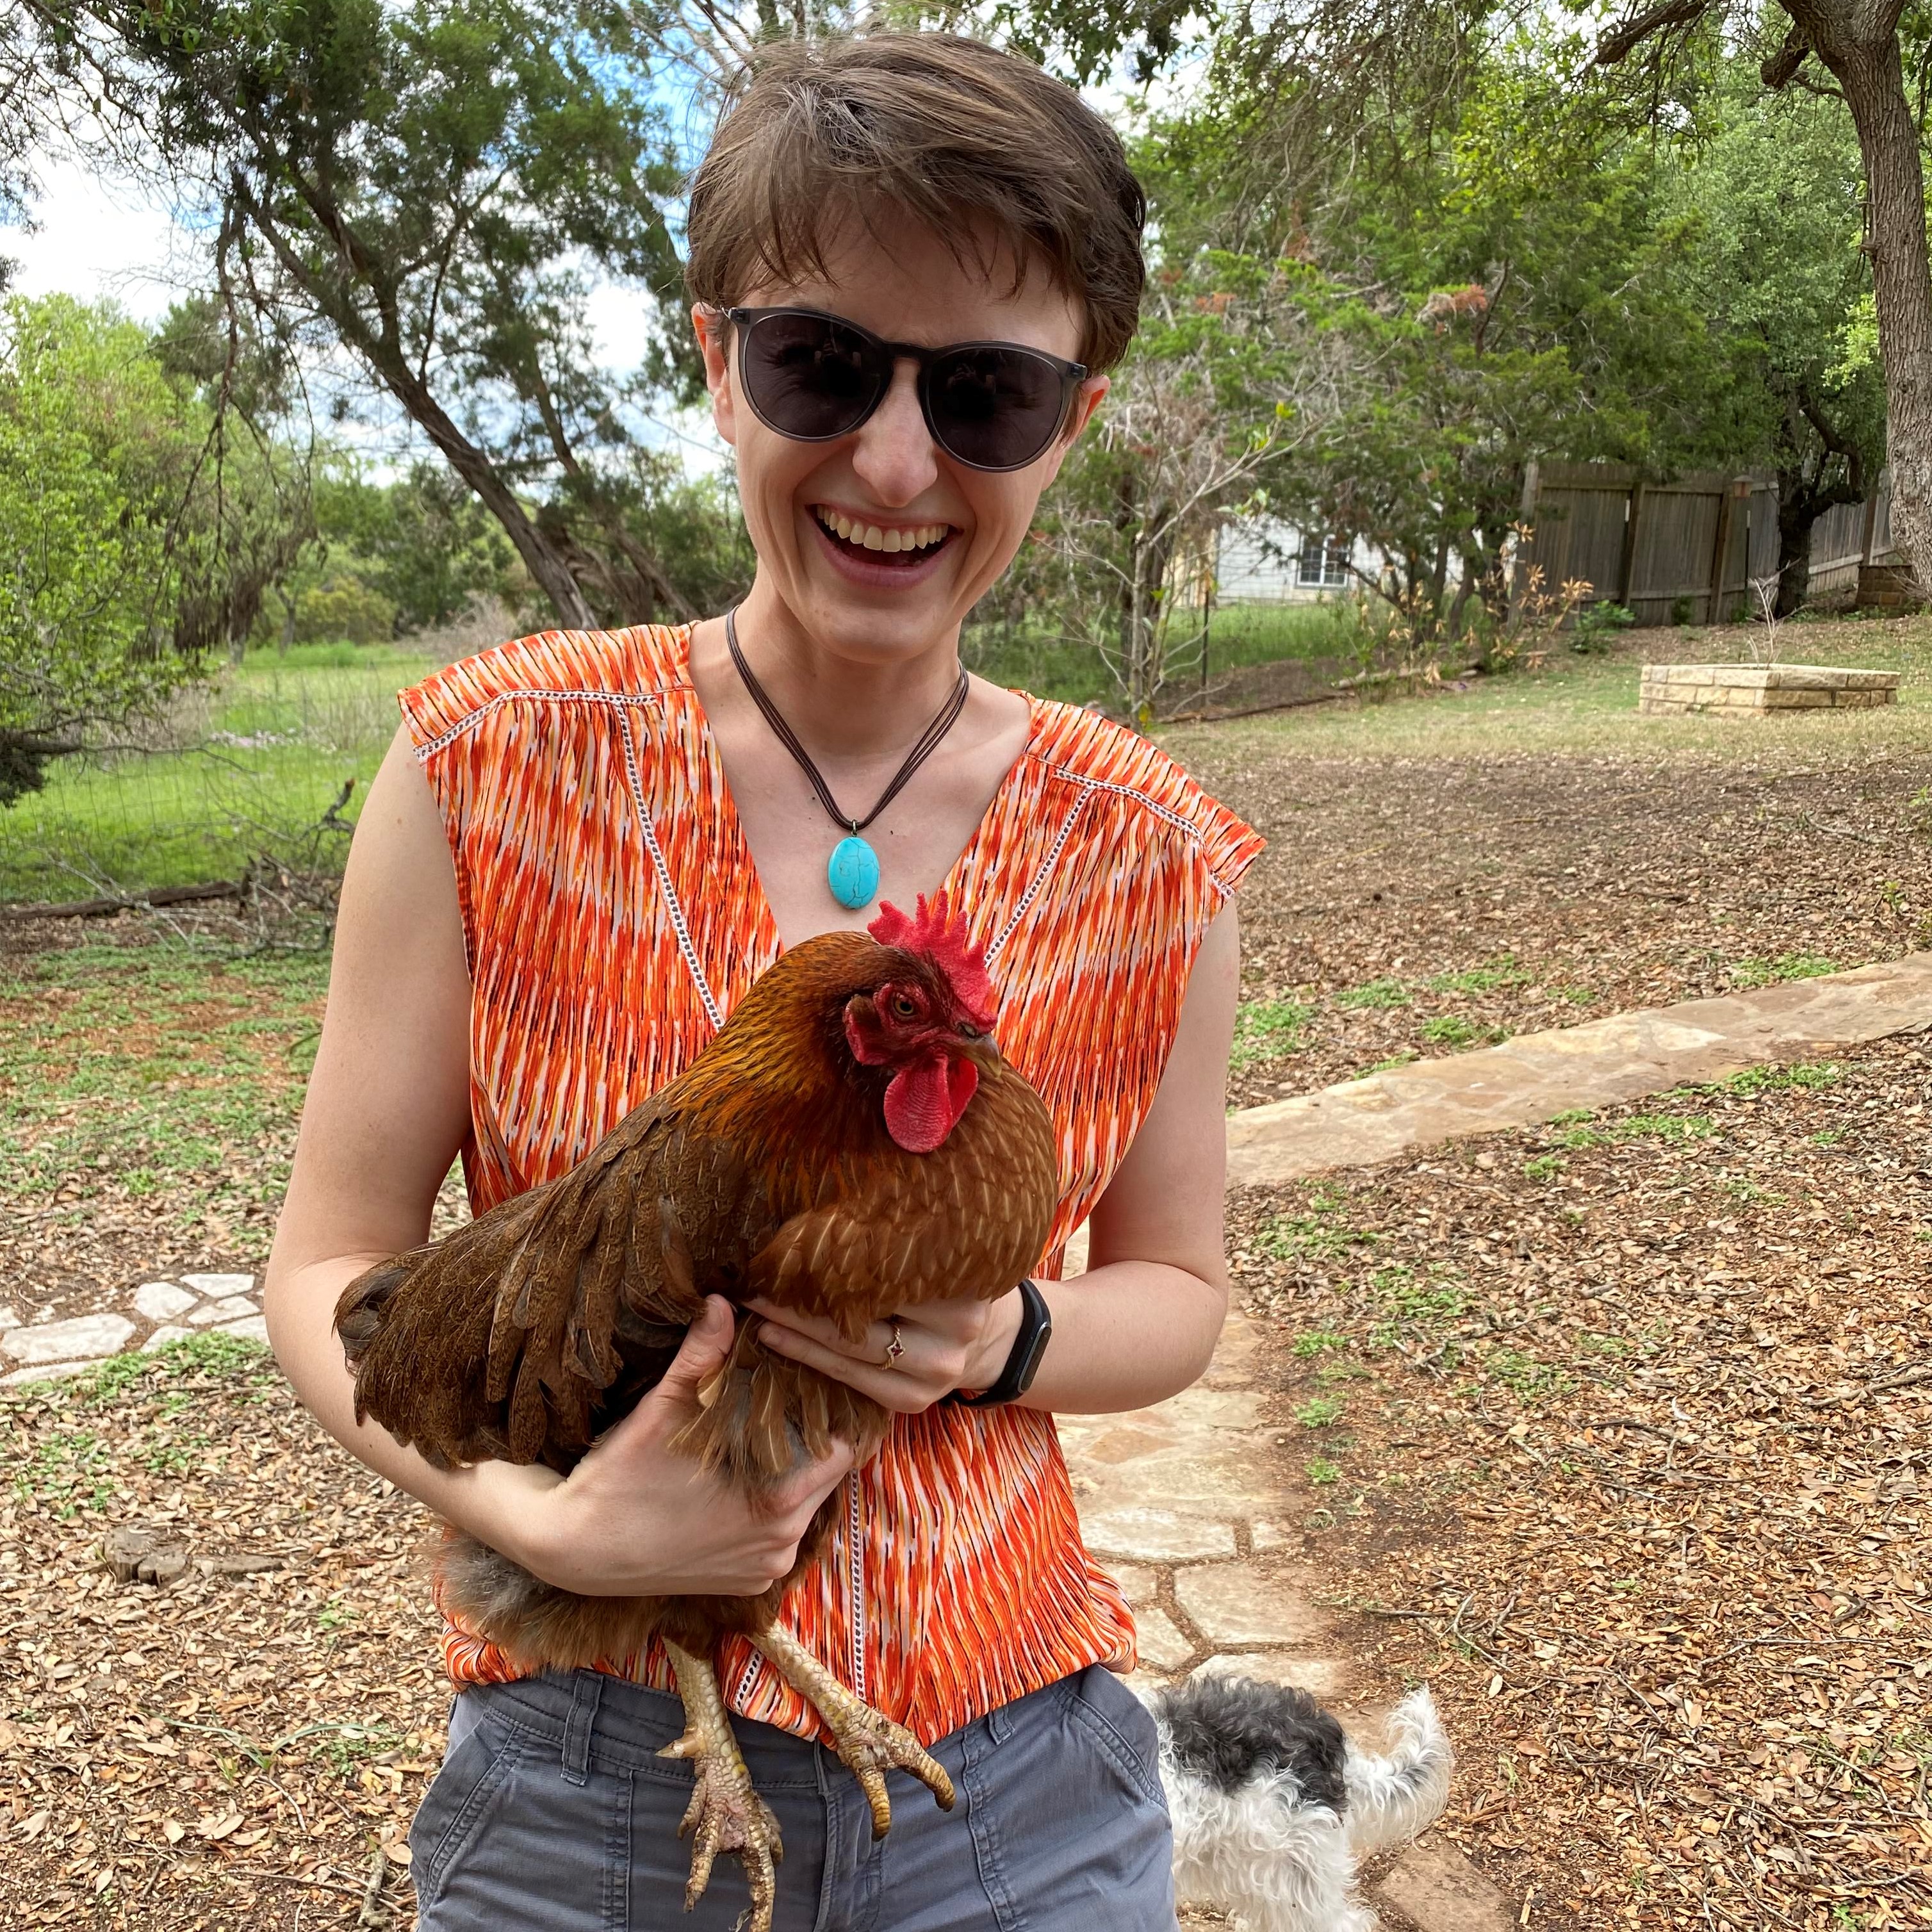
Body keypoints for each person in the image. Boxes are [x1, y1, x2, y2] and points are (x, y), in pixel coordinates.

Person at [264, 31, 1261, 1931]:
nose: (896, 463)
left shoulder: (1156, 856)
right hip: (592, 1787)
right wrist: (552, 1523)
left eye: (986, 394)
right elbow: (326, 1270)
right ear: (719, 357)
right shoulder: (493, 771)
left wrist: (1001, 1342)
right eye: (822, 363)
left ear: (1077, 416)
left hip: (1016, 1783)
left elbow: (1184, 1295)